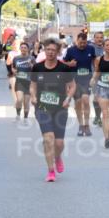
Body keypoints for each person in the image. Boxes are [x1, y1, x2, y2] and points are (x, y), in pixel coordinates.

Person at [30, 39, 76, 182]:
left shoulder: (64, 68)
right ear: (44, 50)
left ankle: (57, 156)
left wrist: (68, 98)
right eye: (48, 49)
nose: (50, 52)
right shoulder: (37, 67)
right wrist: (33, 96)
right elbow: (32, 86)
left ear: (58, 52)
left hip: (60, 108)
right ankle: (50, 171)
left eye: (53, 50)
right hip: (42, 107)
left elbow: (72, 86)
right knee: (48, 138)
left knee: (59, 143)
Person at [62, 31, 98, 137]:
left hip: (87, 79)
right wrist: (70, 63)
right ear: (77, 41)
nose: (82, 45)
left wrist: (95, 75)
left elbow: (95, 62)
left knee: (86, 100)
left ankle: (87, 125)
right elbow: (62, 63)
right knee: (78, 103)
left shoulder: (91, 49)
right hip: (74, 80)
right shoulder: (70, 50)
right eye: (80, 42)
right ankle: (81, 125)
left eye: (84, 43)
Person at [12, 42, 34, 123]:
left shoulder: (31, 58)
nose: (23, 49)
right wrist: (14, 71)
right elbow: (13, 68)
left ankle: (25, 118)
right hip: (19, 81)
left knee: (26, 102)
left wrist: (31, 65)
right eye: (22, 47)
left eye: (25, 47)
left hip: (29, 82)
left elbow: (35, 69)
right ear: (20, 49)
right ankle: (18, 115)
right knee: (20, 99)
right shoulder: (16, 58)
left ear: (28, 49)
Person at [91, 31, 105, 127]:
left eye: (101, 37)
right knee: (97, 97)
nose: (99, 39)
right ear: (94, 39)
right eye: (97, 37)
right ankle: (97, 116)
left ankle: (102, 117)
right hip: (95, 76)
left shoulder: (107, 48)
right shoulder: (91, 49)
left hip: (106, 77)